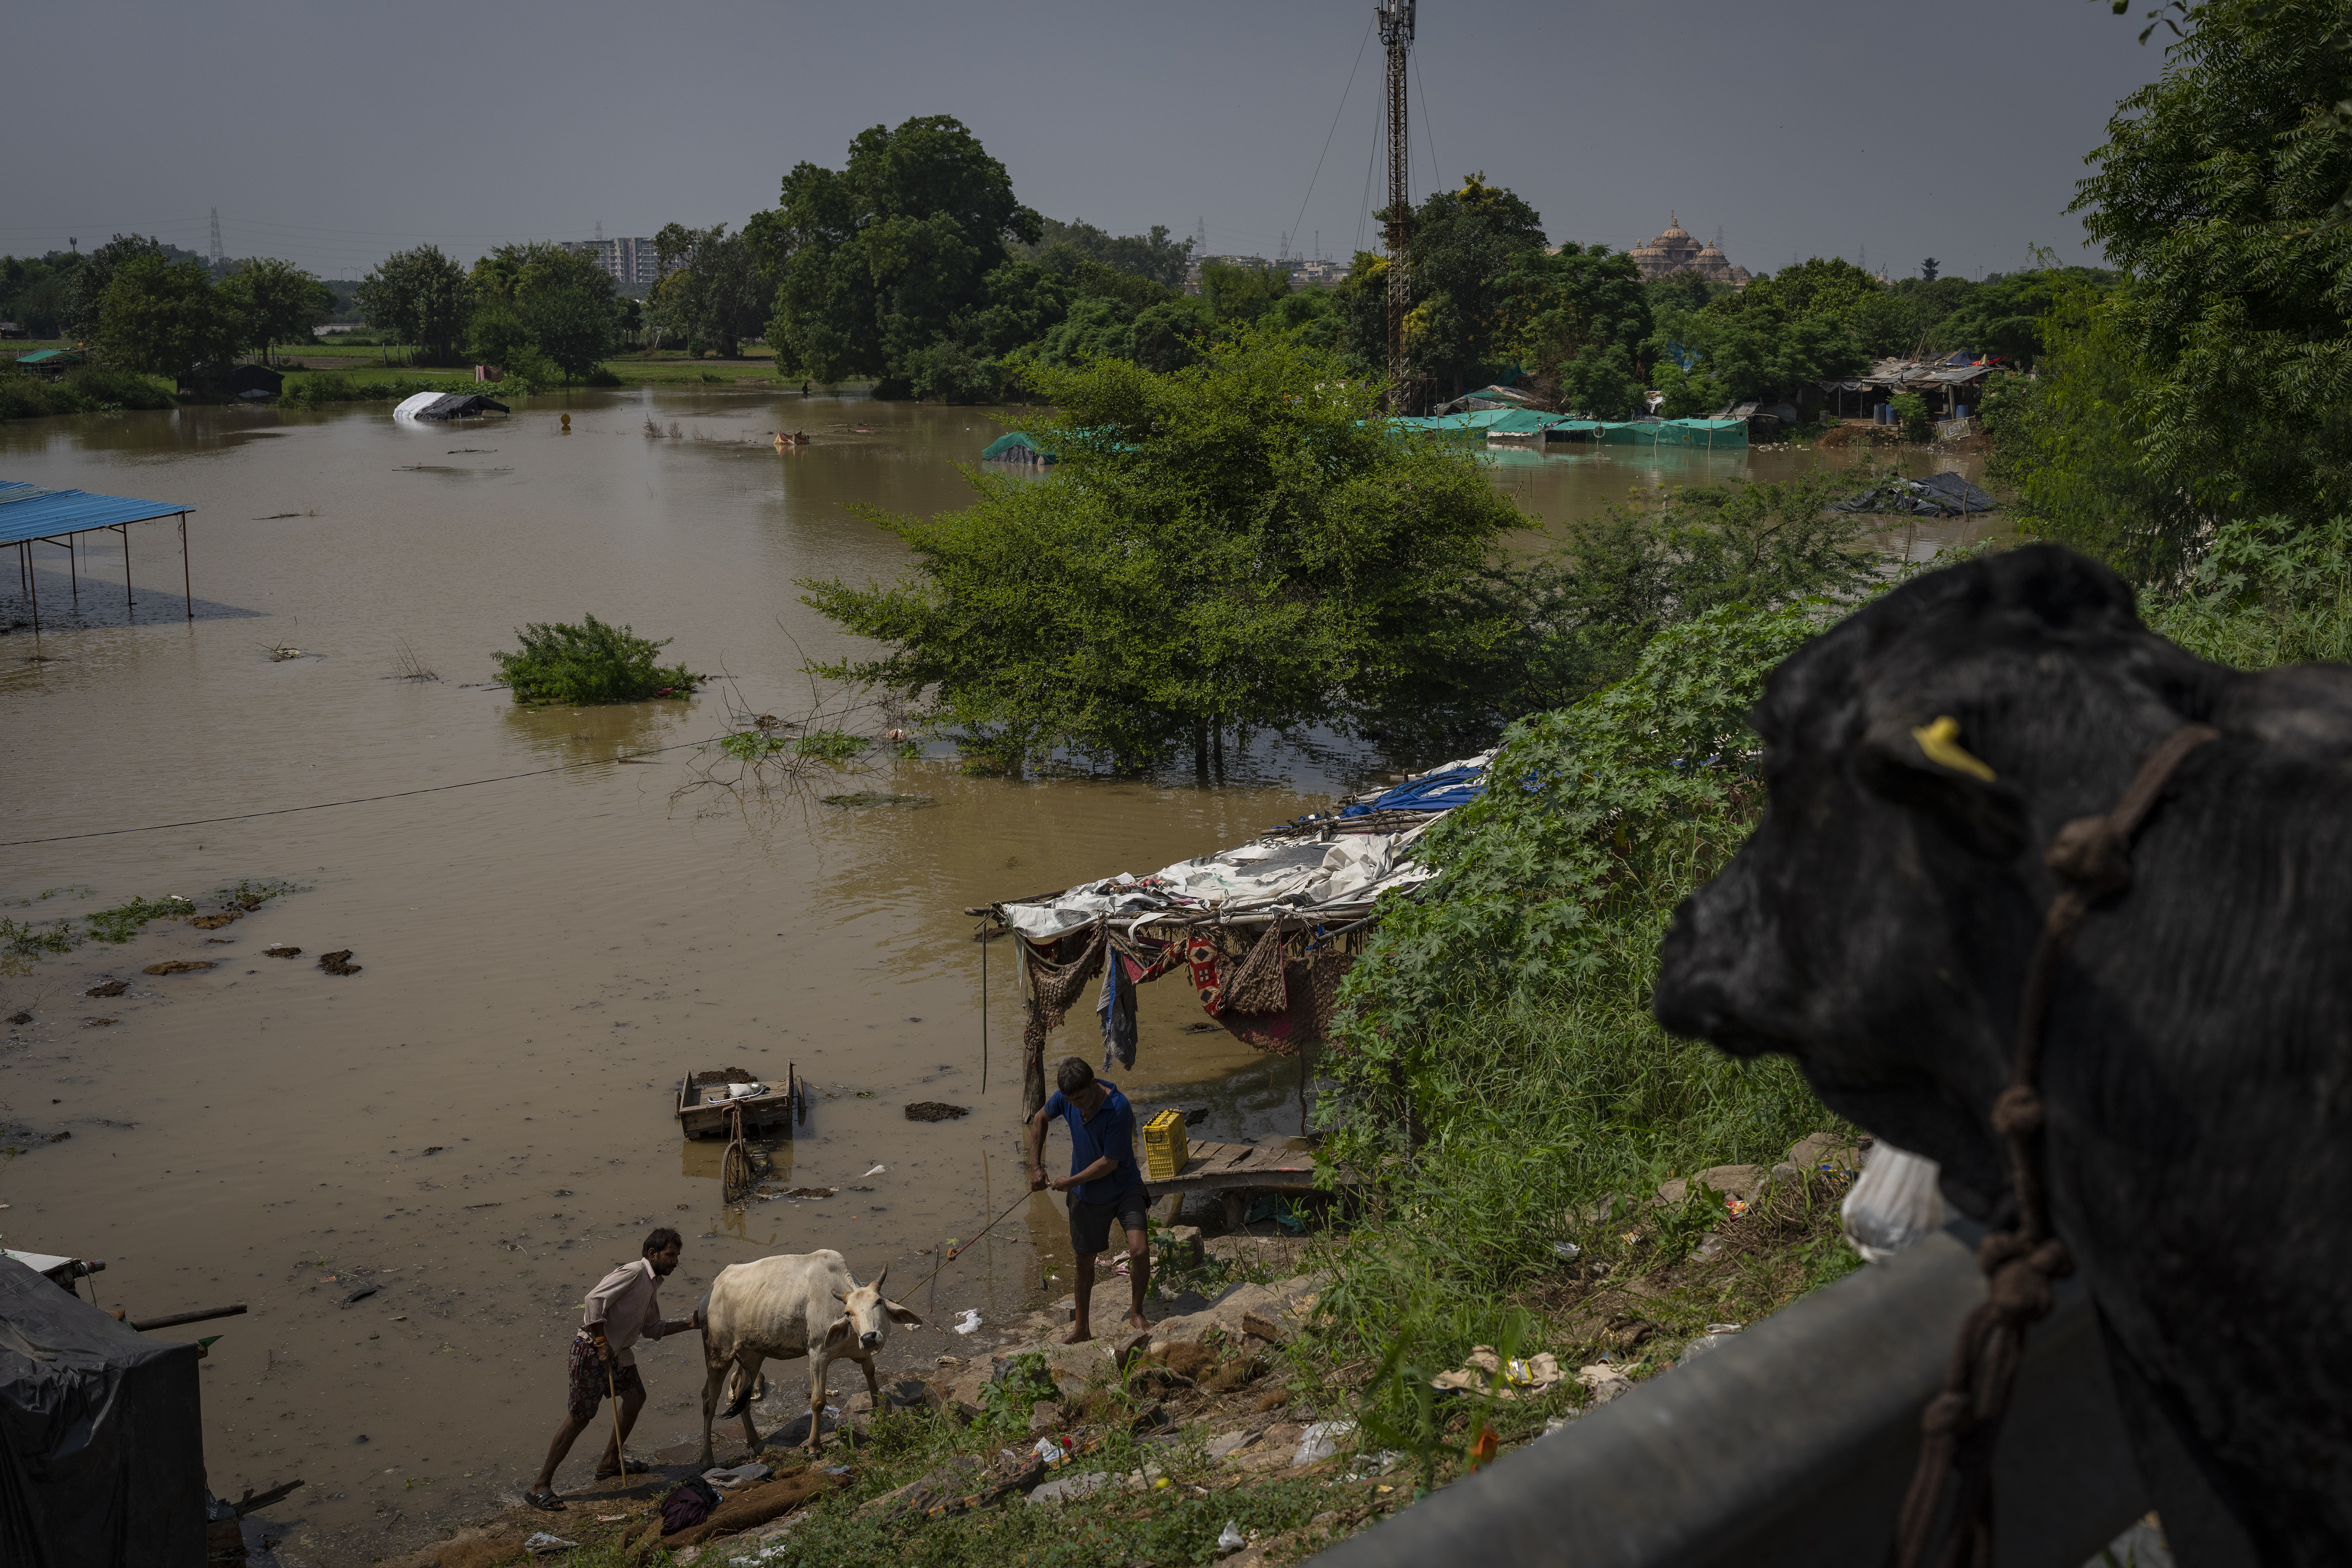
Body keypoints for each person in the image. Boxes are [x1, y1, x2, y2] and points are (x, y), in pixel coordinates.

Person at [524, 1227, 697, 1510]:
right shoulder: (633, 1273)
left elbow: (653, 1329)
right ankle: (540, 1485)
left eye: (677, 1256)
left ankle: (608, 1462)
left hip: (618, 1354)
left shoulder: (653, 1285)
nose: (676, 1262)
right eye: (670, 1255)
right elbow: (593, 1301)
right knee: (579, 1418)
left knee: (636, 1398)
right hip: (593, 1352)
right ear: (652, 1254)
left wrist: (690, 1325)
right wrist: (603, 1343)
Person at [1025, 1056, 1150, 1344]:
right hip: (1087, 1197)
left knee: (1140, 1251)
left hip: (1124, 1188)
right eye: (1072, 1100)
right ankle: (1082, 1328)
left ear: (1094, 1084)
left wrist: (1070, 1182)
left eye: (1082, 1097)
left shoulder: (1118, 1107)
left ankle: (1136, 1311)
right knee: (1084, 1263)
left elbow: (1110, 1163)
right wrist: (1035, 1166)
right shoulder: (1066, 1099)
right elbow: (1039, 1119)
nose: (1078, 1105)